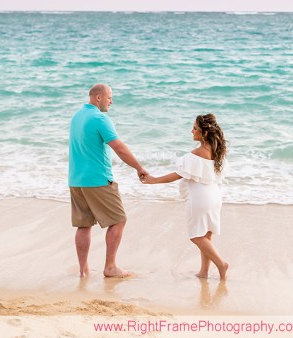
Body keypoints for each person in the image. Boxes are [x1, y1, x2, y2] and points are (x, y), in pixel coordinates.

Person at [68, 83, 147, 278]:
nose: (112, 101)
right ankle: (110, 267)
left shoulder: (77, 115)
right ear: (98, 98)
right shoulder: (100, 118)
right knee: (119, 220)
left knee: (83, 225)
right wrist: (139, 168)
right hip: (98, 179)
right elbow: (119, 148)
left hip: (76, 179)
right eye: (109, 97)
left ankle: (83, 270)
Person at [141, 114, 229, 280]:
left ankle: (221, 264)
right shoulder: (218, 152)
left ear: (203, 132)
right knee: (206, 236)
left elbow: (177, 175)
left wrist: (153, 180)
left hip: (200, 199)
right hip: (215, 196)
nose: (192, 130)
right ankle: (203, 272)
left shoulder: (196, 154)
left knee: (196, 236)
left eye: (195, 128)